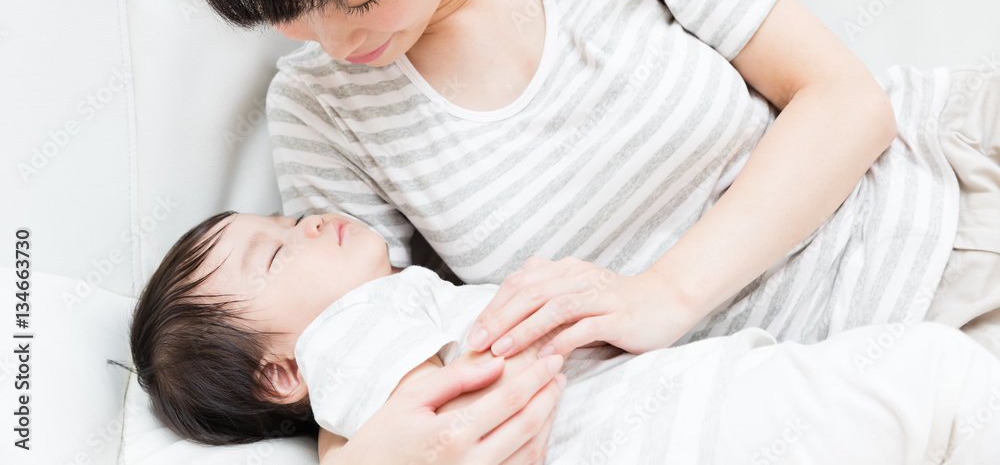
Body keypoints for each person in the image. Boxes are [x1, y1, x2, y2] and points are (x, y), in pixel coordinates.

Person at [184, 0, 1000, 461]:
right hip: (785, 397)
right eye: (288, 15)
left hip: (932, 234)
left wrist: (663, 294)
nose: (334, 40)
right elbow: (357, 341)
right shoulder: (321, 110)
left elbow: (847, 101)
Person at [130, 209, 1000, 464]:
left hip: (686, 408)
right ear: (282, 371)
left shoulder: (397, 303)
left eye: (286, 215)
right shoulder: (345, 342)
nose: (307, 219)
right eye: (276, 248)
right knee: (935, 380)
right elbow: (458, 400)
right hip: (671, 426)